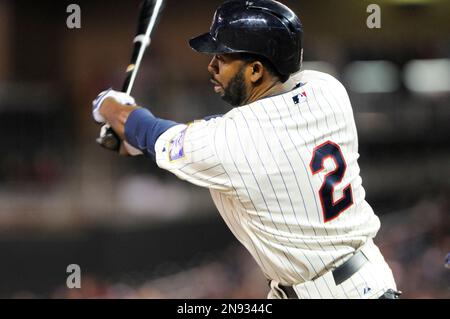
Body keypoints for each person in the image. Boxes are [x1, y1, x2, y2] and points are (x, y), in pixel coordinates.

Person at [92, 0, 400, 299]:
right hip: (359, 277)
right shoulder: (327, 88)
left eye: (223, 58)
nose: (211, 66)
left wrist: (111, 106)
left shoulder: (232, 140)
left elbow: (155, 132)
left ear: (255, 70)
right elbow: (223, 133)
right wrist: (134, 139)